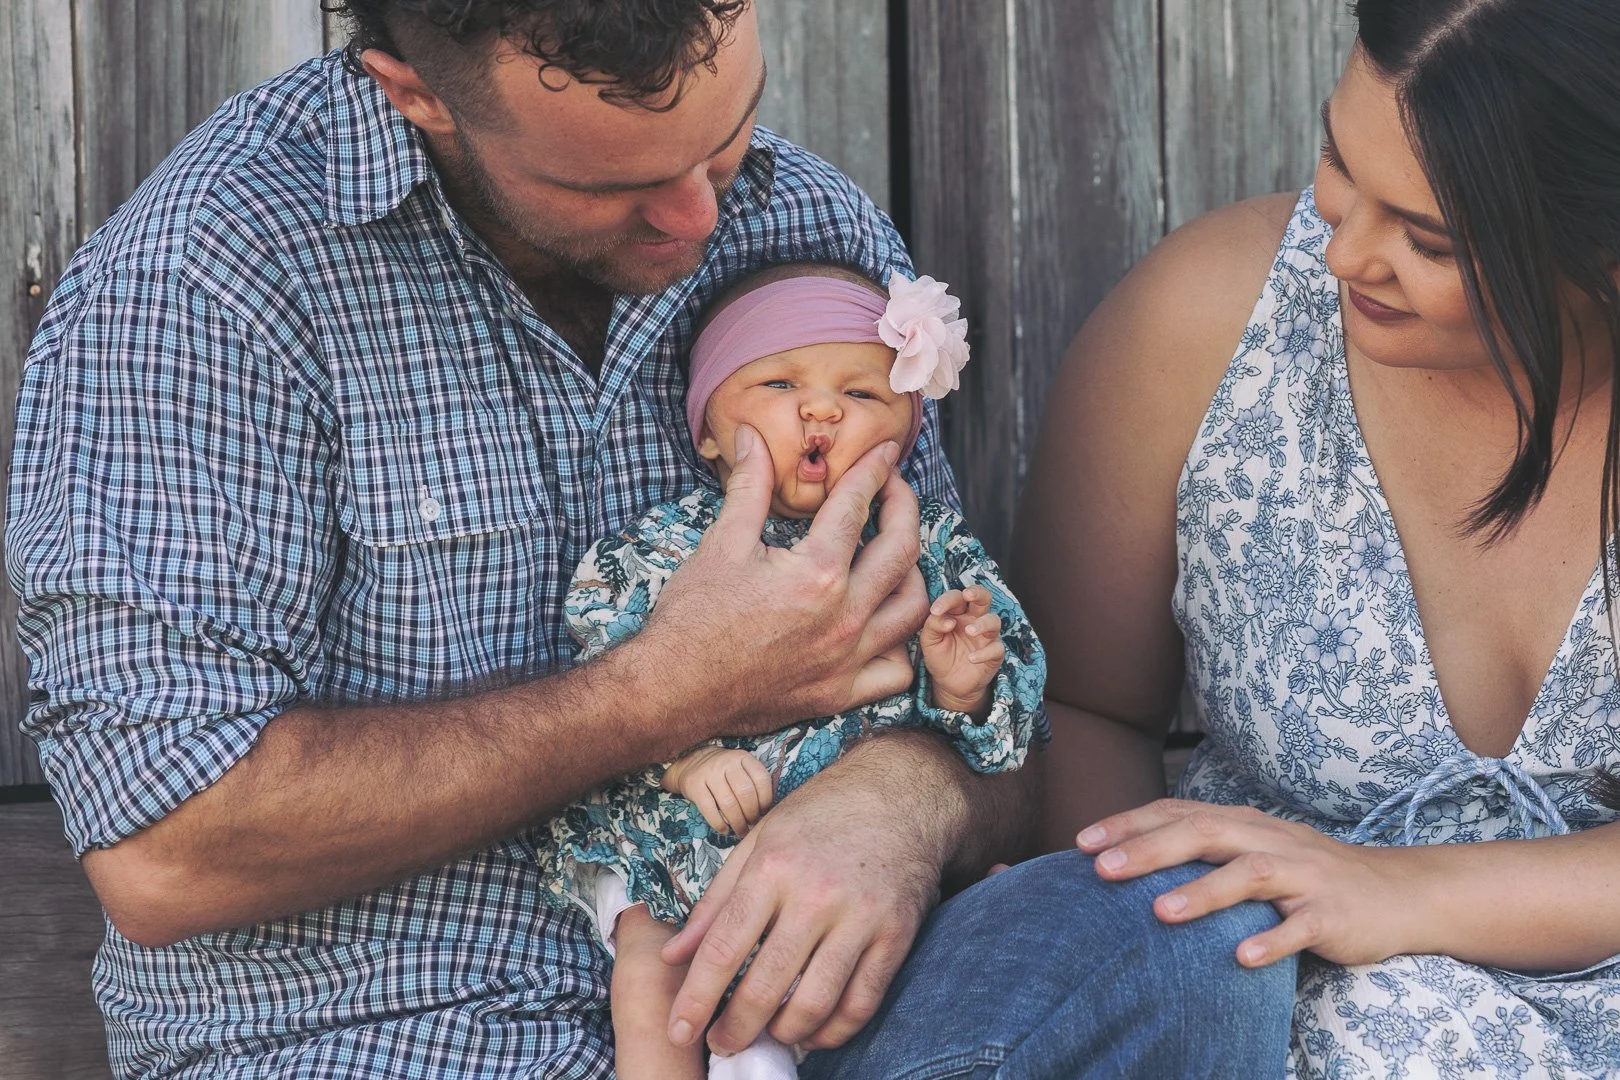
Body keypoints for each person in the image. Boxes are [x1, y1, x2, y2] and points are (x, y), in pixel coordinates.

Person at [6, 1, 1291, 1077]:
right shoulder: (202, 285)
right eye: (610, 184)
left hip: (809, 1030)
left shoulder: (815, 237)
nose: (697, 224)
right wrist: (670, 691)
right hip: (384, 1040)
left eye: (724, 144)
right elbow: (164, 852)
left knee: (1192, 944)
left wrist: (898, 804)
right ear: (413, 95)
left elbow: (990, 717)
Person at [1014, 0, 1620, 1076]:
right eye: (1338, 163)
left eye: (1426, 237)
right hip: (1280, 1008)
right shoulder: (1205, 324)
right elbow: (1078, 703)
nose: (1341, 253)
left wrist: (1398, 892)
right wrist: (1171, 969)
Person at [543, 263, 1045, 1080]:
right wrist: (686, 762)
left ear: (904, 436)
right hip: (687, 831)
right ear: (709, 429)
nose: (822, 409)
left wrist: (962, 684)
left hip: (856, 856)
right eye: (780, 382)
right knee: (655, 959)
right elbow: (606, 664)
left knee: (929, 954)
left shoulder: (931, 553)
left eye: (863, 396)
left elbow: (1008, 724)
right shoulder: (671, 545)